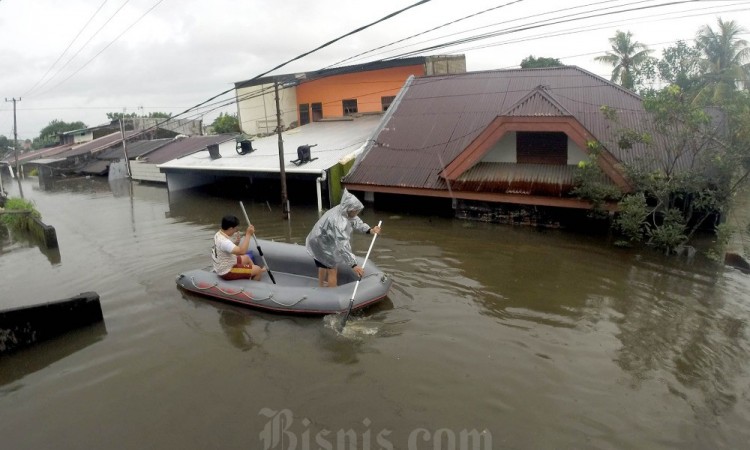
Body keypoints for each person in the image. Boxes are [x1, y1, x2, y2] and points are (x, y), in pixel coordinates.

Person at [306, 190, 381, 287]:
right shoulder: (339, 222)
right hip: (321, 243)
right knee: (332, 270)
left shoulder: (342, 210)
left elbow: (355, 221)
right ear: (350, 209)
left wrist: (370, 230)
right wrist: (354, 265)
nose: (357, 212)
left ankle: (321, 286)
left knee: (322, 263)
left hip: (318, 239)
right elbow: (342, 245)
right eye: (356, 211)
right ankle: (332, 294)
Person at [212, 215, 266, 281]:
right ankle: (255, 278)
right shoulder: (224, 242)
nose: (236, 231)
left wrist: (236, 243)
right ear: (231, 228)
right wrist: (248, 234)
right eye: (235, 229)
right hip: (227, 271)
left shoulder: (218, 234)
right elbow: (242, 251)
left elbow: (226, 249)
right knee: (257, 270)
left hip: (226, 262)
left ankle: (252, 273)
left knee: (247, 258)